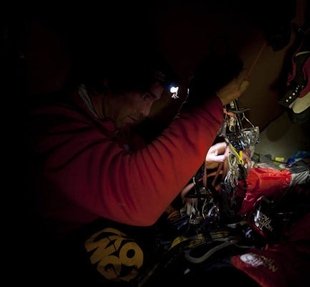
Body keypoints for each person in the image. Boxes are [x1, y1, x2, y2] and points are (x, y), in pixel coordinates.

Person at [19, 31, 250, 285]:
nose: (146, 111)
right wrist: (206, 109)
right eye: (144, 97)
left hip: (112, 232)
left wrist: (190, 176)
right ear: (110, 80)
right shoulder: (51, 128)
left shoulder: (115, 128)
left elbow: (145, 164)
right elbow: (138, 196)